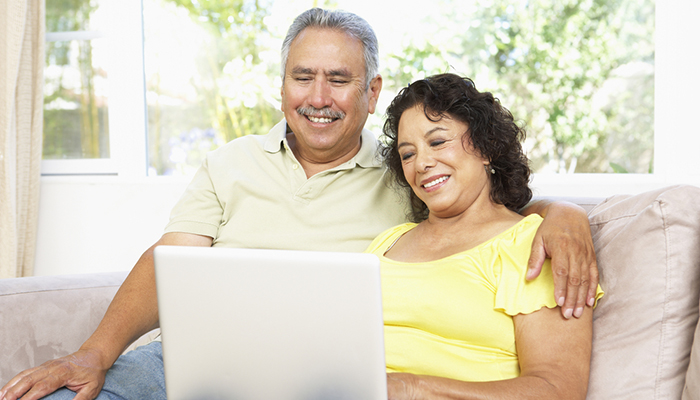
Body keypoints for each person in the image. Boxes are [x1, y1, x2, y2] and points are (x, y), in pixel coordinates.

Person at [0, 8, 598, 400]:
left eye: (338, 79)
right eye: (301, 77)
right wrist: (93, 353)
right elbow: (169, 258)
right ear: (281, 84)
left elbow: (480, 208)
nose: (318, 97)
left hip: (316, 380)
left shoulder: (401, 186)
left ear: (370, 93)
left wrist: (562, 215)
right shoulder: (231, 163)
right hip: (197, 359)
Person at [369, 73, 603, 399]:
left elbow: (558, 390)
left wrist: (411, 388)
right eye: (408, 154)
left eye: (437, 142)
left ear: (485, 148)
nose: (421, 162)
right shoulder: (386, 243)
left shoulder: (537, 245)